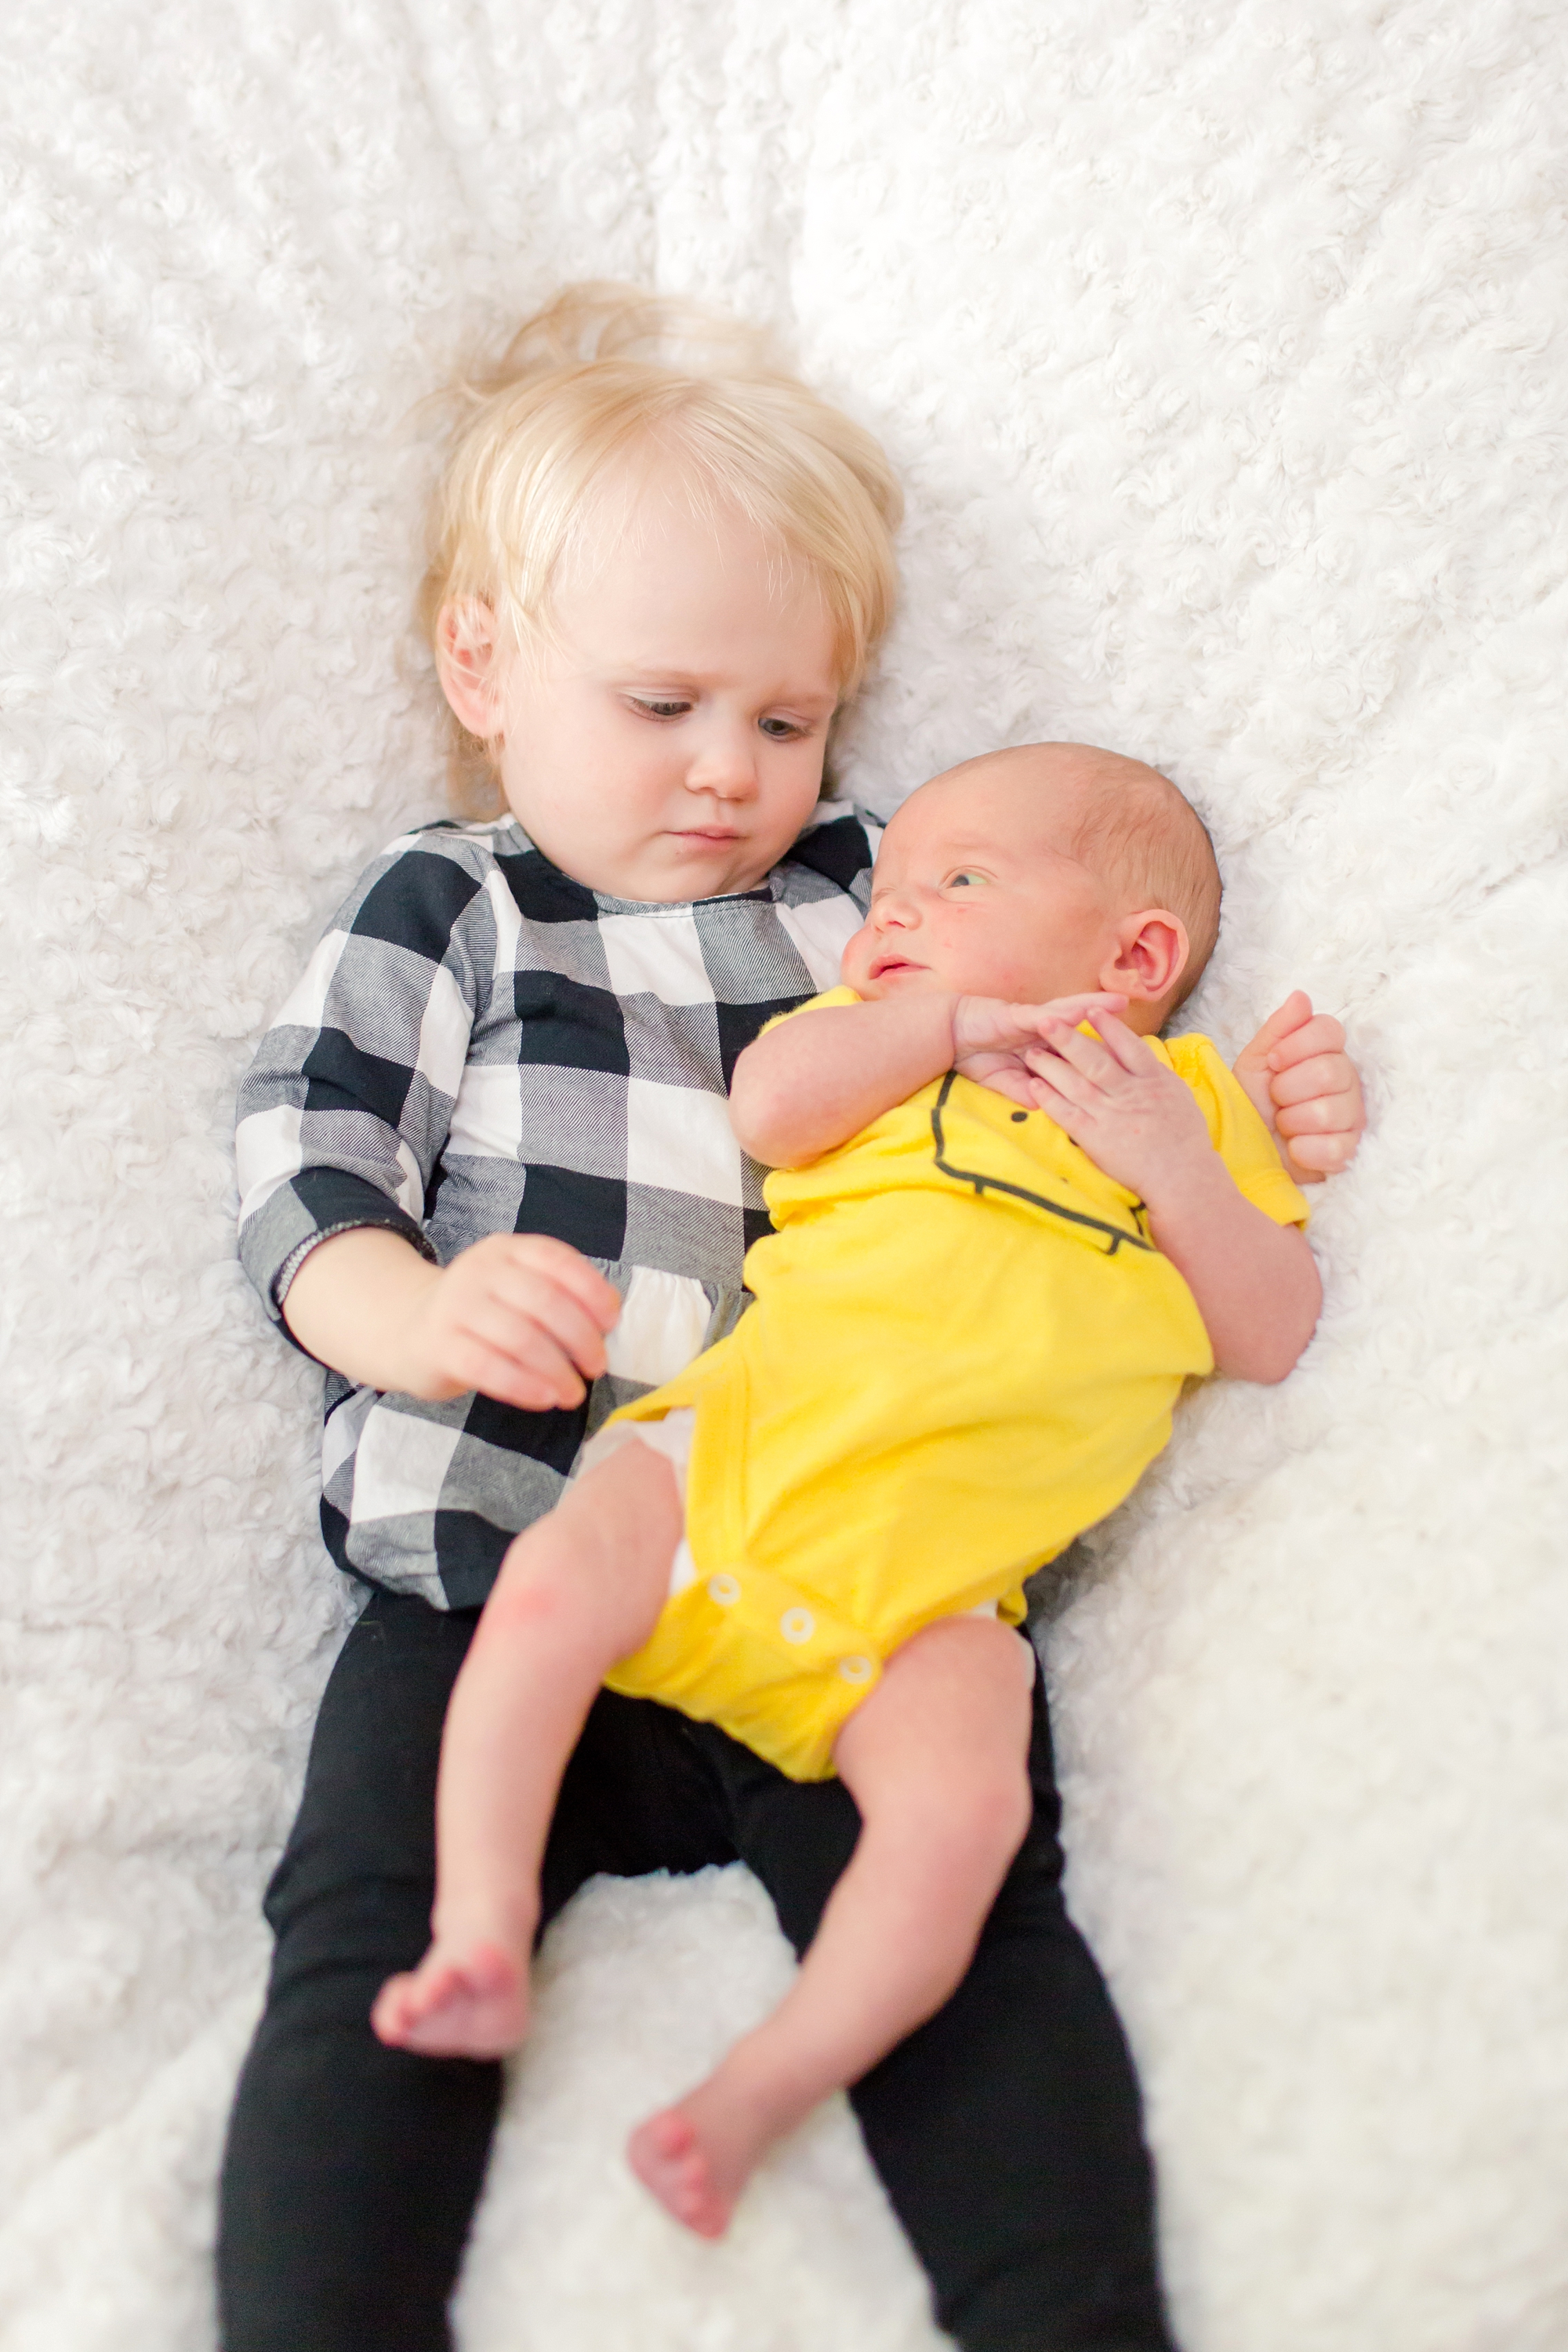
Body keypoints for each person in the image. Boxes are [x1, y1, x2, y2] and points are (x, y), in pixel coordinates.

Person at [218, 285, 1366, 2352]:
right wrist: (417, 1315)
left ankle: (1068, 2314)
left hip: (848, 1562)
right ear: (484, 667)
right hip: (511, 1544)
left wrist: (1258, 1107)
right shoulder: (453, 910)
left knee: (978, 1927)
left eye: (787, 719)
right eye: (663, 707)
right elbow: (305, 1180)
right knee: (366, 1930)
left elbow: (1086, 1051)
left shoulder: (882, 896)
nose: (731, 775)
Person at [368, 740, 1320, 2243]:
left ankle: (761, 2086)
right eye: (884, 892)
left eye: (956, 882)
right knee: (546, 1589)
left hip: (937, 1590)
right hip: (741, 1459)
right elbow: (768, 1105)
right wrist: (939, 1016)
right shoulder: (874, 1047)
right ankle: (478, 1918)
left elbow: (1270, 1330)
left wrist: (1183, 1163)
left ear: (1136, 958)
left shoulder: (1198, 1107)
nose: (890, 915)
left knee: (962, 1819)